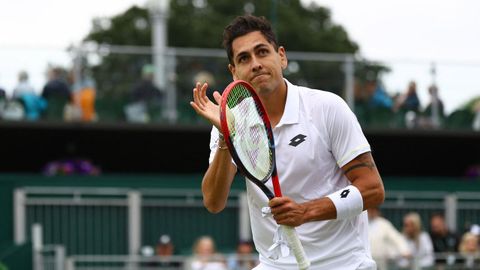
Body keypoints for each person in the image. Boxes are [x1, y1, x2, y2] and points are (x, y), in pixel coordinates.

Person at [190, 15, 385, 270]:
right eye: (244, 58)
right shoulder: (230, 122)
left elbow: (372, 190)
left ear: (281, 56)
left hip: (343, 263)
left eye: (262, 52)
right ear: (233, 71)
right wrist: (228, 135)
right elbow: (214, 202)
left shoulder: (327, 107)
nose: (256, 64)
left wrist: (306, 212)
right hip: (274, 264)